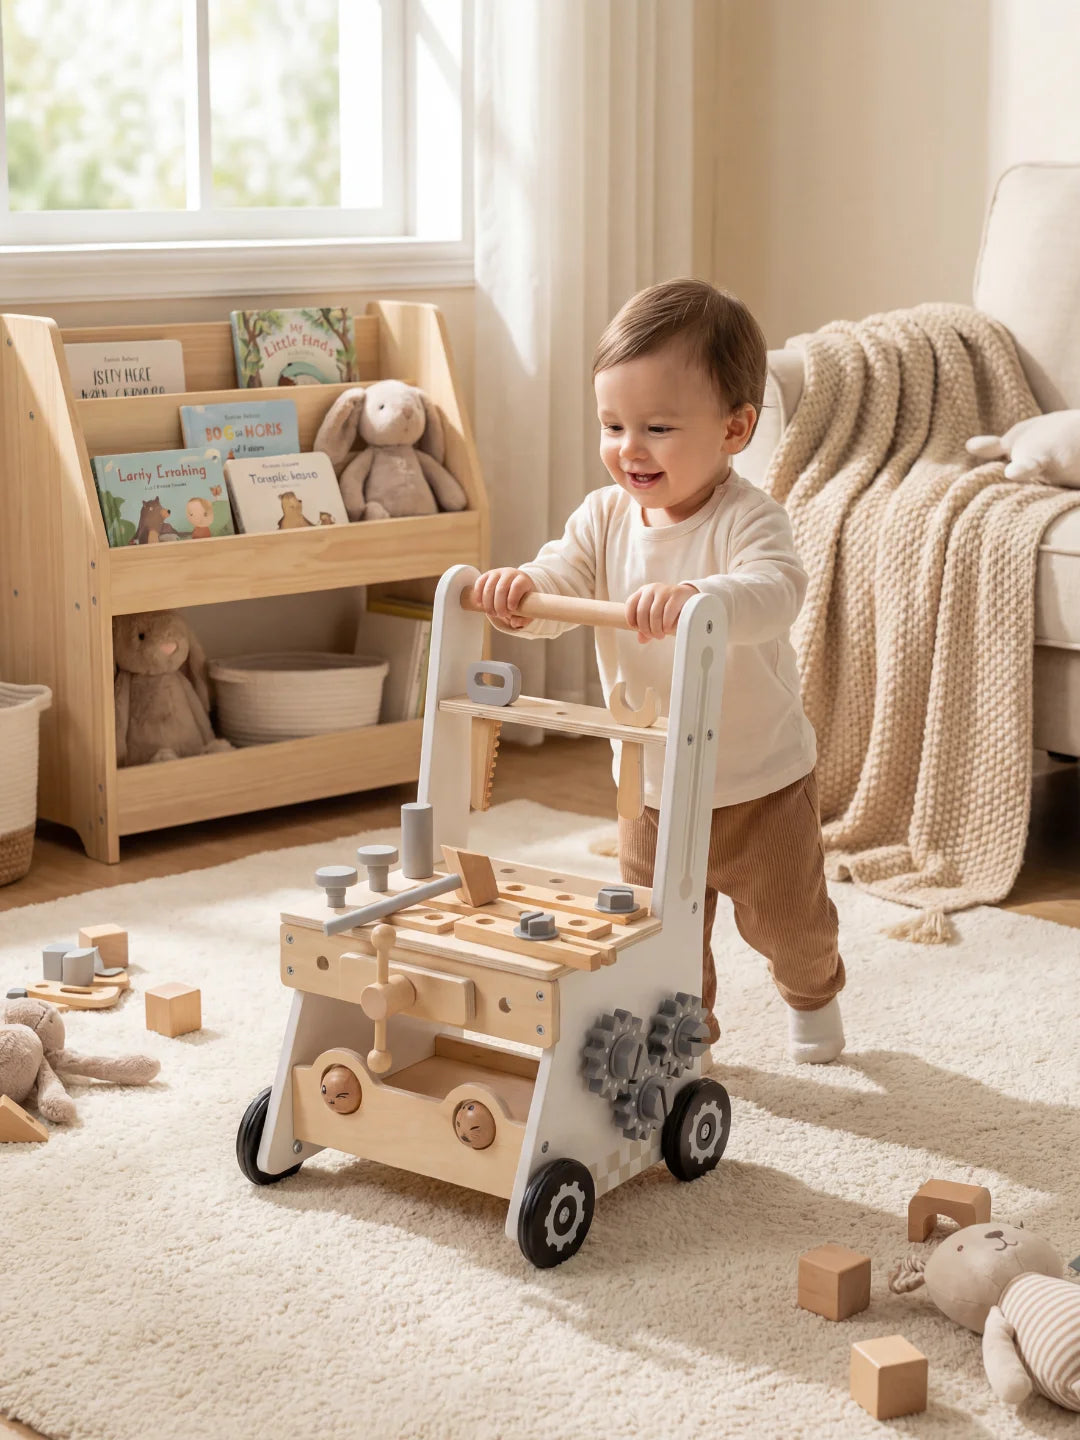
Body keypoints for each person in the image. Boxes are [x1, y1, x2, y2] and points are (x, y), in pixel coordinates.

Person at [470, 278, 845, 1063]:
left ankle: (813, 996)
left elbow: (778, 593)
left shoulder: (749, 518)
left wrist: (701, 598)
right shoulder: (603, 517)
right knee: (657, 931)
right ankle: (686, 1038)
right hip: (649, 785)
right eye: (612, 425)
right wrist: (522, 598)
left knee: (790, 924)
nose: (628, 449)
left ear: (735, 429)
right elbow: (561, 583)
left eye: (658, 427)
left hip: (757, 785)